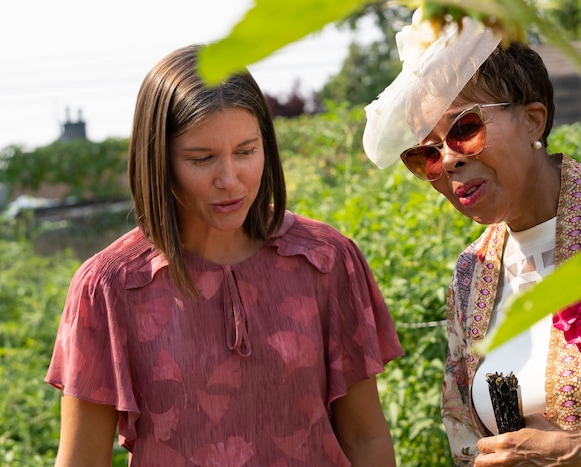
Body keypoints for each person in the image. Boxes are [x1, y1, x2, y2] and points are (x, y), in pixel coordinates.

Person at [363, 10, 581, 467]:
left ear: (533, 120)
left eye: (464, 128)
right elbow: (462, 429)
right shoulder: (472, 272)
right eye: (427, 153)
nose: (449, 161)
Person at [45, 43, 403, 466]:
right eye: (202, 159)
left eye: (246, 152)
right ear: (158, 162)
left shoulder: (325, 261)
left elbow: (365, 439)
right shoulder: (107, 288)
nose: (230, 180)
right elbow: (81, 461)